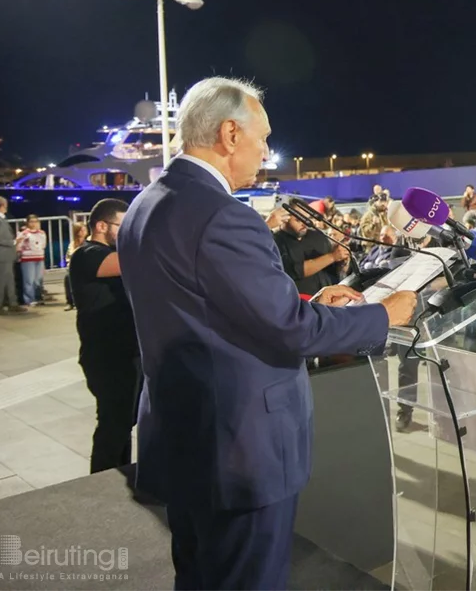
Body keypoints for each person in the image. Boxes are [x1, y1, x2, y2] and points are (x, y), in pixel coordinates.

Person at [118, 77, 417, 590]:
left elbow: (207, 306)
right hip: (237, 448)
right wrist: (385, 315)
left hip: (184, 435)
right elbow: (291, 333)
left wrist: (306, 300)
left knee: (197, 575)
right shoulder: (223, 216)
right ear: (230, 134)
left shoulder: (147, 205)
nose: (266, 151)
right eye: (263, 137)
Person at [69, 199, 142, 474]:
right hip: (106, 355)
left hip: (126, 352)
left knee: (123, 421)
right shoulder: (87, 254)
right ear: (101, 225)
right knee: (114, 423)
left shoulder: (108, 253)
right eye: (123, 227)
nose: (126, 233)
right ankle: (101, 481)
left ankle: (117, 474)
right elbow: (136, 262)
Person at [0, 196, 23, 315]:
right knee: (0, 282)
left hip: (4, 256)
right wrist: (14, 242)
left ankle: (12, 303)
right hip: (0, 256)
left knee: (9, 281)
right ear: (3, 206)